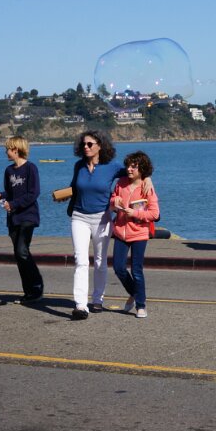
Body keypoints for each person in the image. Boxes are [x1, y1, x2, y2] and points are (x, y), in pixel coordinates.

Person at [63, 130, 153, 321]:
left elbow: (135, 173)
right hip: (79, 217)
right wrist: (63, 195)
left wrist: (148, 178)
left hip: (102, 218)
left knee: (99, 260)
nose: (85, 147)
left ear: (100, 146)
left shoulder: (112, 167)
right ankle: (80, 305)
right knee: (80, 260)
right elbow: (74, 187)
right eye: (83, 144)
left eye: (90, 144)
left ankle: (97, 299)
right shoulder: (79, 165)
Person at [0, 136, 44, 304]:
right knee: (20, 254)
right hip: (13, 218)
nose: (6, 152)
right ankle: (29, 292)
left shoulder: (31, 168)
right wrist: (1, 195)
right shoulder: (9, 171)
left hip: (28, 216)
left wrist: (13, 204)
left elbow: (33, 193)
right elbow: (10, 192)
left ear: (16, 150)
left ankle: (37, 286)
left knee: (22, 251)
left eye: (7, 149)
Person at [110, 151, 160, 319]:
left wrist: (135, 213)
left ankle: (141, 305)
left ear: (142, 169)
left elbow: (154, 214)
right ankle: (134, 293)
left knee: (136, 270)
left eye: (134, 167)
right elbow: (112, 200)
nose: (129, 169)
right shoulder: (121, 183)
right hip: (120, 232)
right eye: (128, 166)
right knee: (118, 268)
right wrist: (114, 201)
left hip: (139, 234)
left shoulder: (147, 187)